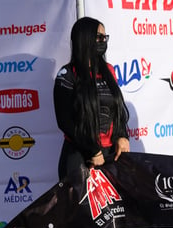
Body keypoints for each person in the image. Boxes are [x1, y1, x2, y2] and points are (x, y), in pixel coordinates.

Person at [53, 17, 130, 183]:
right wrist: (93, 150)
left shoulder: (108, 70)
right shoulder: (67, 74)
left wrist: (123, 136)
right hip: (80, 156)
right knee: (79, 209)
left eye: (105, 37)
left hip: (111, 155)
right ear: (84, 38)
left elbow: (117, 110)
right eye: (99, 37)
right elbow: (64, 121)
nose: (103, 41)